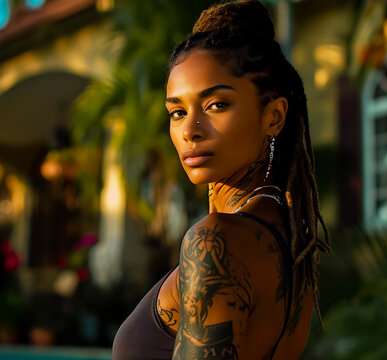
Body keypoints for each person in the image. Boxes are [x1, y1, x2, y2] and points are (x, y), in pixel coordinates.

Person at [112, 1, 331, 359]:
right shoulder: (292, 239)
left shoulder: (216, 241)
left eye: (216, 105)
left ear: (274, 116)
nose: (190, 131)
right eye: (178, 112)